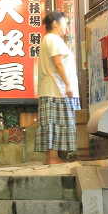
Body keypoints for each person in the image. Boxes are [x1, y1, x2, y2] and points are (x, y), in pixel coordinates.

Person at [36, 10, 79, 164]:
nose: (66, 26)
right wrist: (68, 84)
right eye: (64, 23)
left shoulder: (49, 39)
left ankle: (51, 157)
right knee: (55, 122)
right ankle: (53, 157)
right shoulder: (53, 39)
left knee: (53, 122)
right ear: (55, 24)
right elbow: (58, 62)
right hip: (56, 89)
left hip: (52, 88)